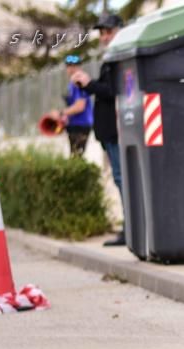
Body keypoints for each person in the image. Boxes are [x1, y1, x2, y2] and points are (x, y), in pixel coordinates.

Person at [70, 14, 126, 246]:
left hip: (116, 130)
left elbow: (113, 90)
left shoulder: (119, 58)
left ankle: (130, 229)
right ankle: (129, 228)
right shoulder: (112, 58)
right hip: (108, 131)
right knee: (119, 178)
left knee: (122, 179)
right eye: (102, 33)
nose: (104, 37)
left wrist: (89, 84)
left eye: (108, 32)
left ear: (120, 31)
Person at [53, 54, 93, 157]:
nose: (71, 69)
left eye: (74, 66)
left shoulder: (79, 82)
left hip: (81, 124)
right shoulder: (71, 83)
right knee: (74, 155)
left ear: (79, 66)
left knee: (77, 156)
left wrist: (61, 113)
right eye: (69, 66)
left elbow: (80, 106)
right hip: (73, 124)